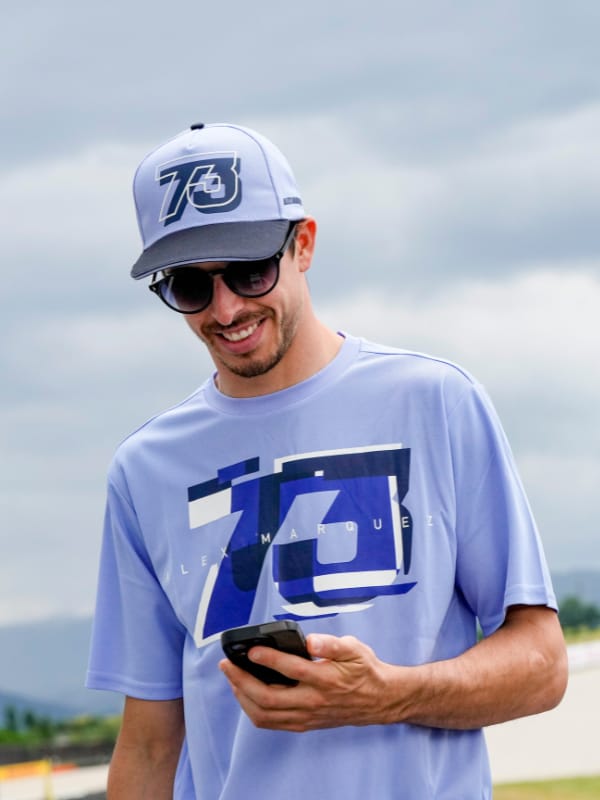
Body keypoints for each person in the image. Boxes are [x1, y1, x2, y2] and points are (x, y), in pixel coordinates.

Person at [86, 122, 568, 800]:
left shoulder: (436, 402)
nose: (226, 308)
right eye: (191, 285)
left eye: (249, 270)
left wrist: (388, 694)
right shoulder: (145, 470)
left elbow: (543, 665)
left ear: (304, 244)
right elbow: (149, 742)